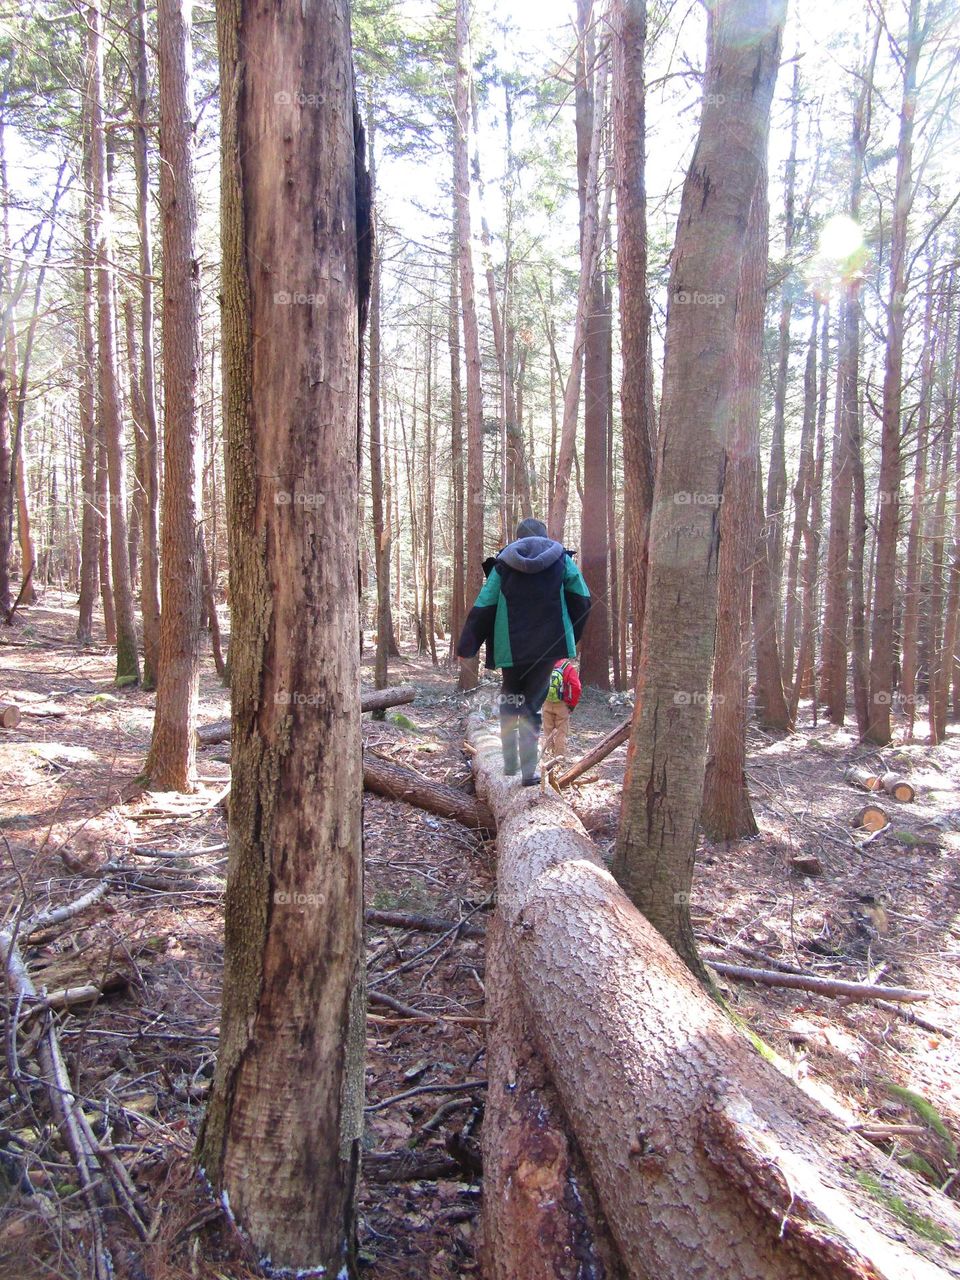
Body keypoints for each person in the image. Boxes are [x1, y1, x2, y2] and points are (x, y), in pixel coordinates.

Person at [457, 517, 591, 785]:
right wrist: (569, 636)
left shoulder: (504, 564)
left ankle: (509, 763)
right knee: (532, 706)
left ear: (518, 539)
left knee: (510, 698)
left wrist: (467, 645)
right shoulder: (562, 560)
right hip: (548, 646)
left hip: (510, 646)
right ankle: (528, 772)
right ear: (544, 536)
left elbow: (485, 604)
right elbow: (582, 600)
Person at [542, 657, 582, 761]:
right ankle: (559, 760)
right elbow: (576, 687)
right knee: (561, 733)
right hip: (562, 705)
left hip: (546, 702)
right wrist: (572, 704)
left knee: (548, 731)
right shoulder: (567, 667)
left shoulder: (545, 663)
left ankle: (548, 758)